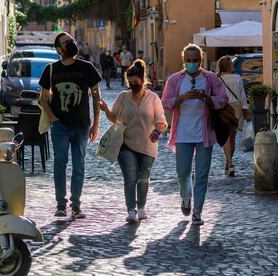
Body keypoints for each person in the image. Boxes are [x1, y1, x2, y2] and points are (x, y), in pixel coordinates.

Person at [161, 44, 228, 225]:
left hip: (204, 133)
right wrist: (180, 99)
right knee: (182, 173)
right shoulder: (175, 80)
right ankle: (186, 197)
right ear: (183, 61)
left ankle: (197, 212)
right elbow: (165, 102)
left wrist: (207, 98)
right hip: (182, 133)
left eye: (195, 60)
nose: (192, 63)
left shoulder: (210, 78)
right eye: (188, 61)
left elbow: (223, 99)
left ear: (201, 60)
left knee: (202, 174)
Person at [39, 32, 102, 218]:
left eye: (72, 41)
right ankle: (60, 204)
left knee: (79, 166)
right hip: (60, 126)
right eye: (67, 43)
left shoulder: (87, 68)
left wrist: (96, 124)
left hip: (82, 125)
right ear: (59, 49)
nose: (72, 44)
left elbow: (97, 97)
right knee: (60, 163)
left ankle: (76, 205)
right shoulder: (51, 70)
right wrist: (53, 118)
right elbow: (44, 99)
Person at [99, 59, 167, 223]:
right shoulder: (123, 97)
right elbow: (114, 119)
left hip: (147, 146)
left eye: (136, 82)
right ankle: (131, 210)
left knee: (143, 178)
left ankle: (141, 207)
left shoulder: (153, 99)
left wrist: (157, 131)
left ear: (143, 80)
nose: (133, 86)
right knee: (130, 178)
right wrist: (106, 109)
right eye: (130, 83)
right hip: (126, 145)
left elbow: (161, 120)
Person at [216, 56, 250, 176]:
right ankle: (229, 163)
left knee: (226, 137)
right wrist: (246, 111)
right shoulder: (237, 78)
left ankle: (229, 163)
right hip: (236, 108)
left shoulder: (218, 79)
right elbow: (242, 96)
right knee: (232, 137)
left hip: (224, 108)